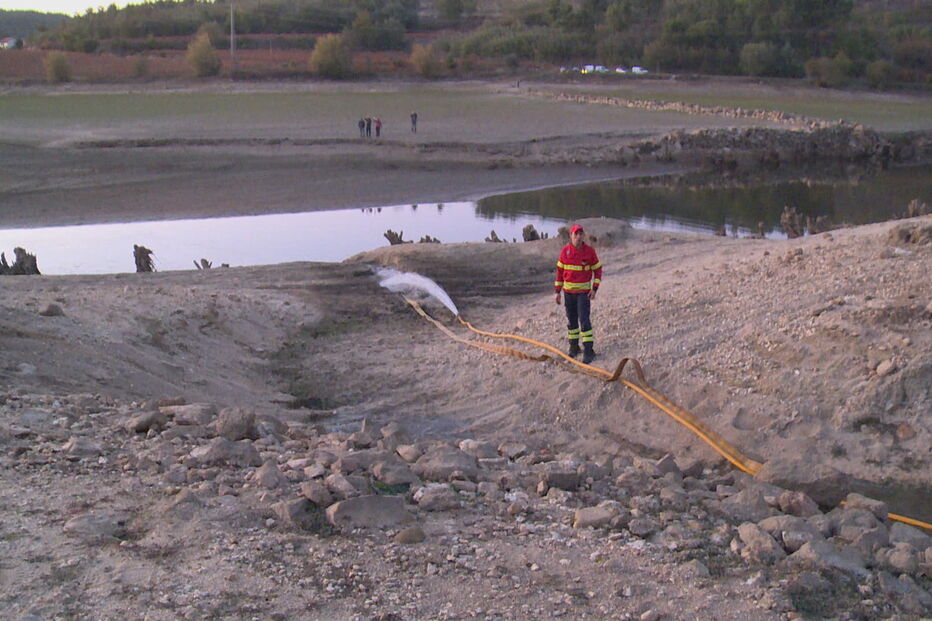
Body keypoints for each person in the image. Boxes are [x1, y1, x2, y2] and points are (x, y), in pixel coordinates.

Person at [554, 224, 602, 364]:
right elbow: (559, 273)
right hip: (568, 294)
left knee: (584, 321)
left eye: (581, 234)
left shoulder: (590, 252)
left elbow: (597, 270)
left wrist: (594, 289)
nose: (578, 237)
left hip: (583, 293)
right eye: (576, 234)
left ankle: (588, 351)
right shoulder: (565, 252)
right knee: (572, 321)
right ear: (571, 236)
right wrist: (557, 292)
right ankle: (574, 347)